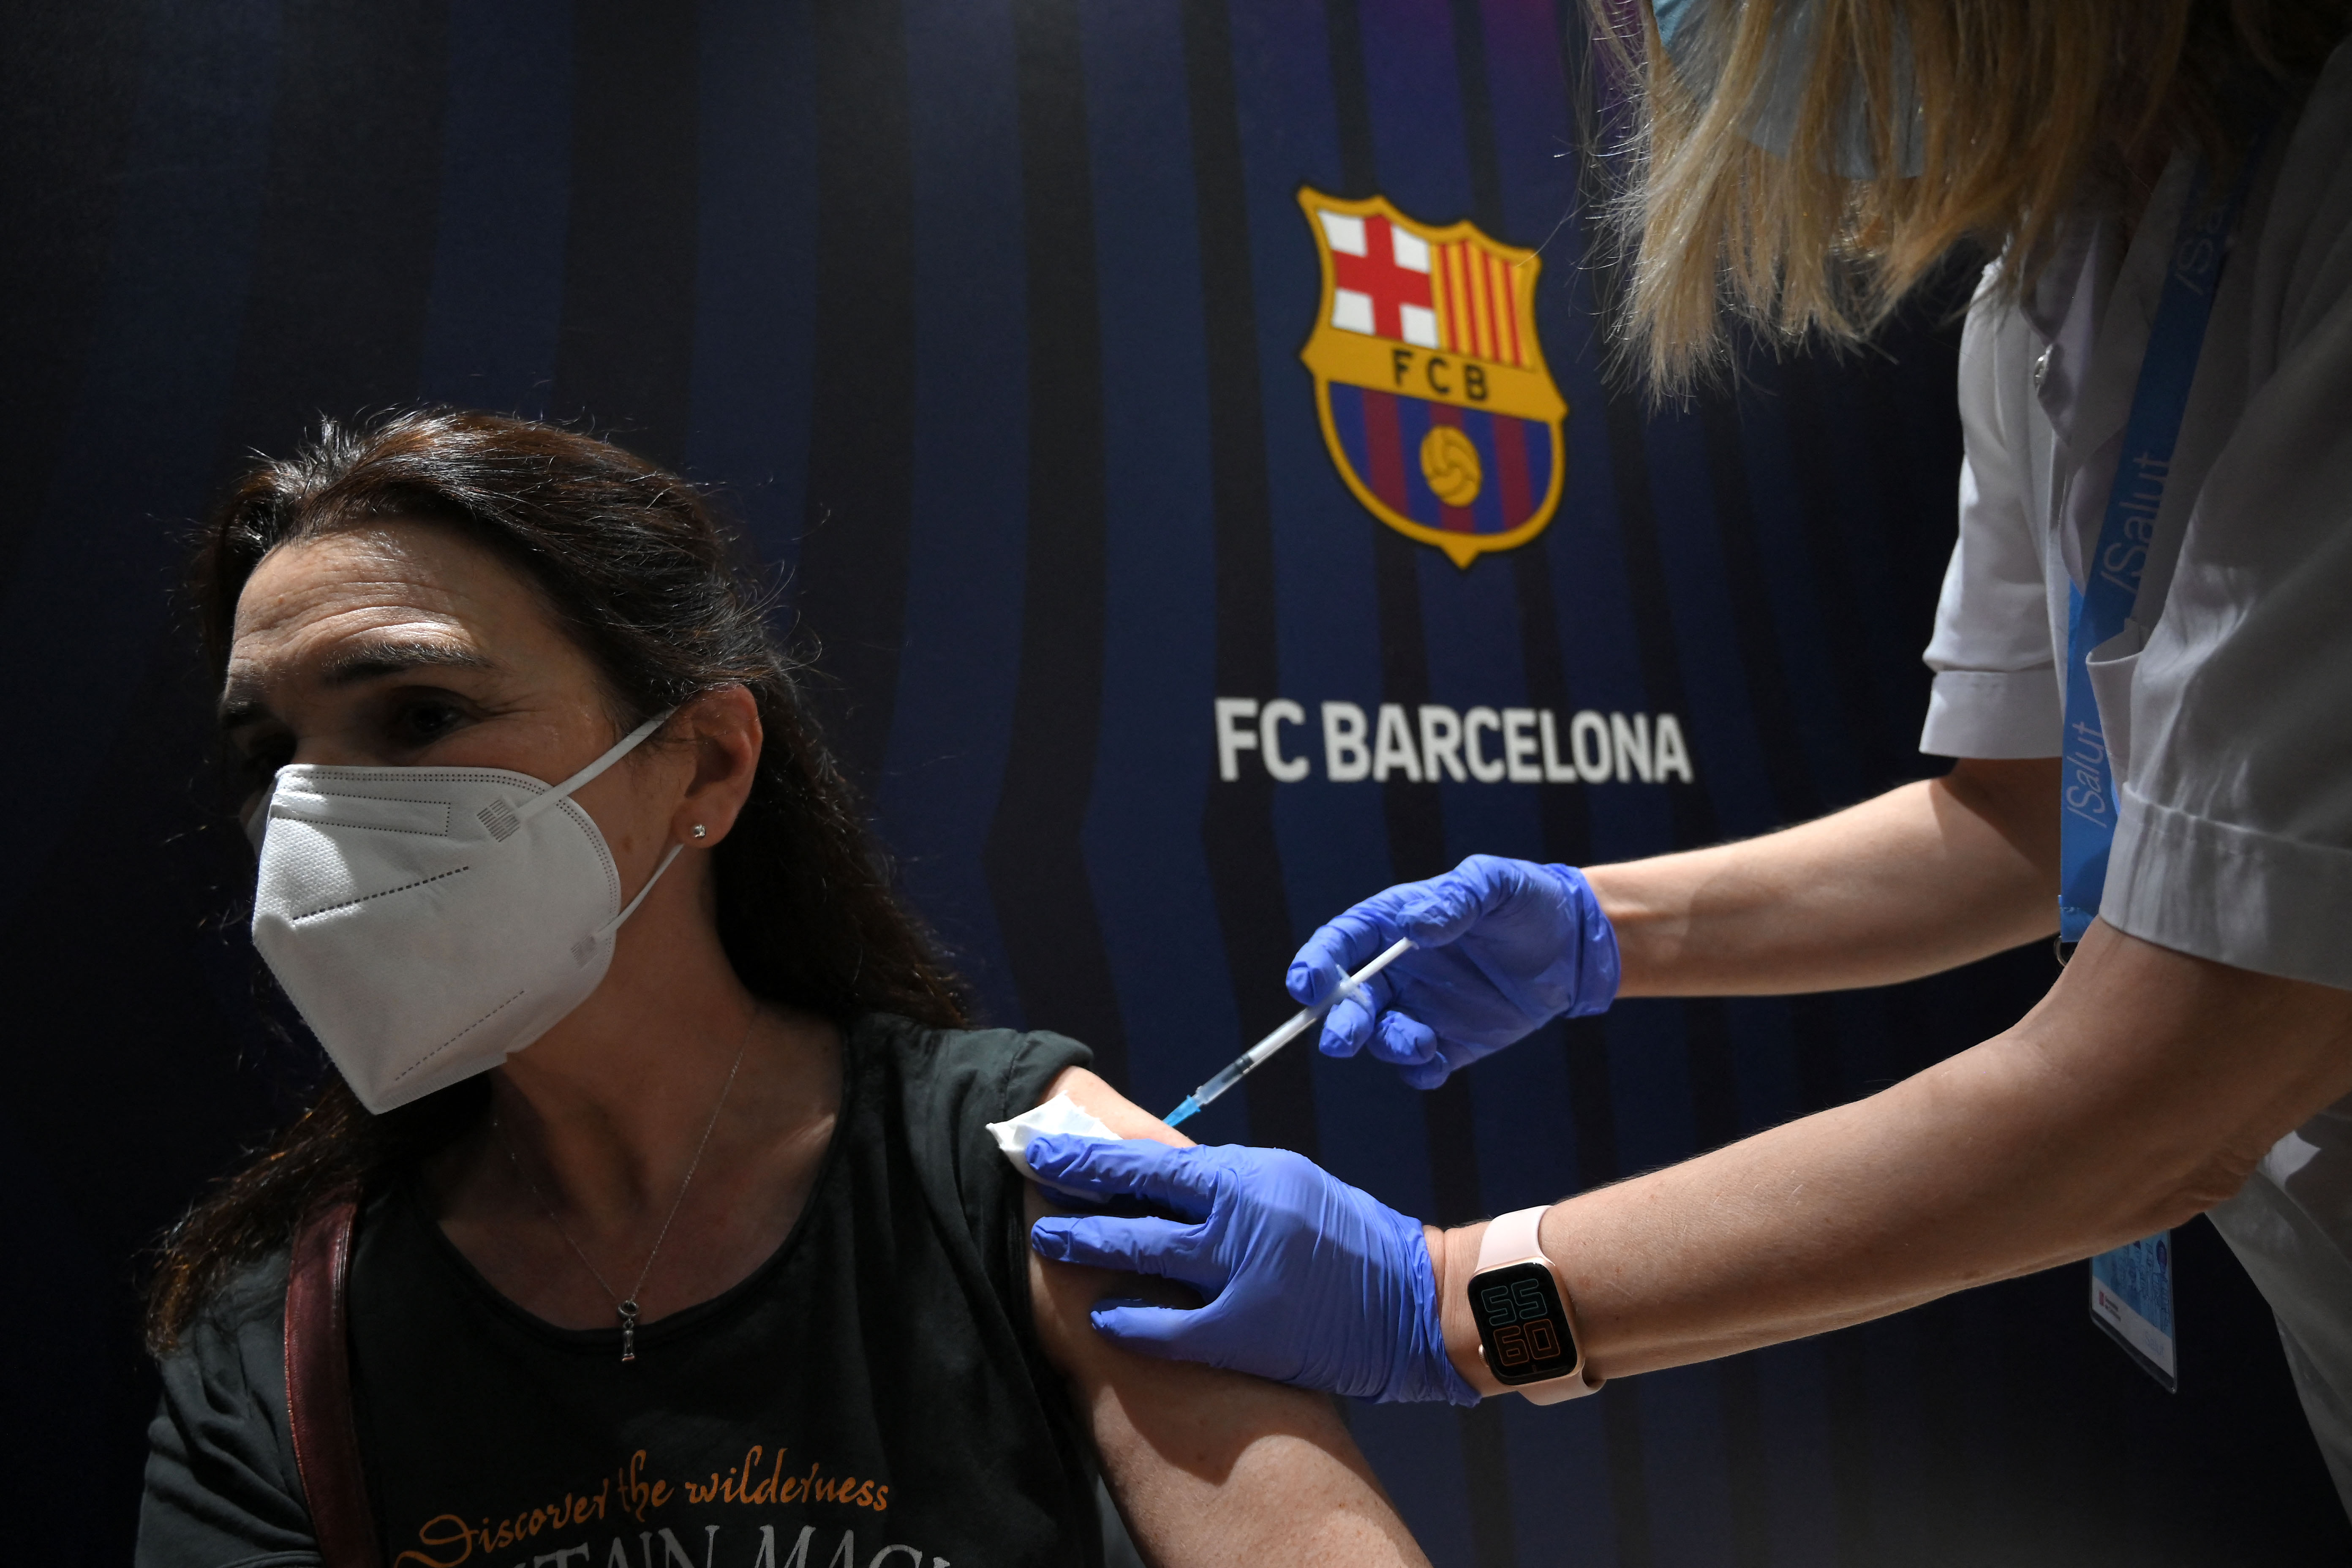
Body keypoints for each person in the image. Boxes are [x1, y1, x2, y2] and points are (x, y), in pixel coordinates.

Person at [1024, 0, 2352, 1515]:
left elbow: (2157, 1093)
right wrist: (1601, 932)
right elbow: (2029, 814)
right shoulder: (2049, 292)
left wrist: (1452, 1302)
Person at [136, 411, 1429, 1568]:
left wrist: (1489, 1305)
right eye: (273, 757)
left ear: (703, 765)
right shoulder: (290, 1343)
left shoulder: (1005, 1166)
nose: (315, 821)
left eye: (418, 718)